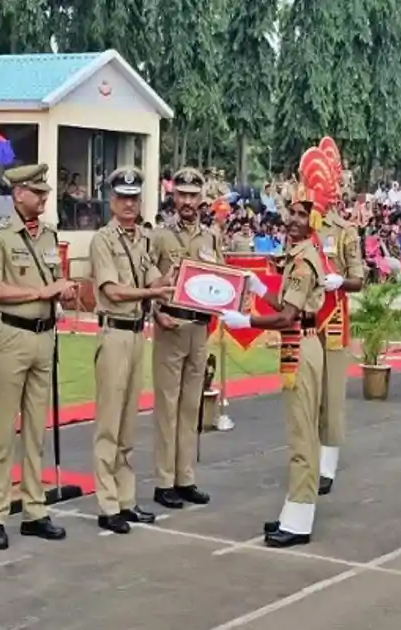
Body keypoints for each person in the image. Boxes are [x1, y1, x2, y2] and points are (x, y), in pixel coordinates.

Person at [219, 185, 325, 548]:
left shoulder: (303, 258)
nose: (294, 220)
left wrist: (245, 322)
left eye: (302, 214)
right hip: (301, 343)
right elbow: (286, 299)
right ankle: (294, 512)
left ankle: (298, 519)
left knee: (302, 435)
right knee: (300, 432)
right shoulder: (300, 254)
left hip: (302, 344)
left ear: (314, 220)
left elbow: (287, 316)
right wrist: (259, 287)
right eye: (292, 212)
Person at [0, 163, 76, 550]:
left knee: (37, 429)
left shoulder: (49, 236)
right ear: (19, 194)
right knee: (4, 430)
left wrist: (64, 294)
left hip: (44, 336)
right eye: (38, 192)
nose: (44, 198)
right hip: (12, 334)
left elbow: (54, 280)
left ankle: (35, 509)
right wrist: (43, 293)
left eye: (45, 192)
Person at [90, 167, 177, 534]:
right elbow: (113, 291)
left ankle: (126, 500)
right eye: (123, 197)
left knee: (128, 424)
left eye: (134, 198)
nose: (129, 204)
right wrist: (154, 293)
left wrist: (177, 278)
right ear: (112, 201)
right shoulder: (103, 240)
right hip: (114, 333)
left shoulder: (142, 239)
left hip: (137, 332)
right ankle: (107, 504)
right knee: (109, 424)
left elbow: (152, 278)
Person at [150, 167, 222, 509]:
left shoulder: (211, 237)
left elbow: (222, 278)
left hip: (199, 329)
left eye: (193, 195)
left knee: (191, 406)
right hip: (171, 325)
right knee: (167, 406)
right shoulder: (160, 236)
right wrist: (154, 311)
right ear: (173, 196)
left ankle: (185, 478)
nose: (188, 201)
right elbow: (146, 279)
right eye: (182, 194)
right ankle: (164, 481)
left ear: (202, 198)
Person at [313, 184, 364, 495]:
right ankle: (305, 457)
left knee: (331, 397)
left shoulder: (345, 232)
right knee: (305, 394)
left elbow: (359, 278)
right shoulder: (301, 227)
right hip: (304, 318)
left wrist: (341, 281)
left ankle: (326, 467)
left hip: (332, 318)